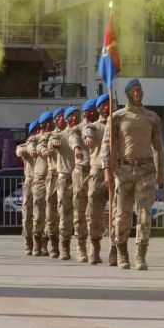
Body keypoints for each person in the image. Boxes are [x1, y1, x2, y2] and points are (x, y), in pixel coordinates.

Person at [102, 79, 164, 270]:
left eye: (140, 90)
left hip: (146, 170)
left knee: (145, 215)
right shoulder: (117, 116)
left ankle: (140, 254)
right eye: (134, 90)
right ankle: (121, 252)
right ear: (128, 93)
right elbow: (107, 145)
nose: (138, 93)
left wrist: (161, 171)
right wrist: (107, 170)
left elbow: (158, 147)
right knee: (122, 215)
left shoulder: (152, 117)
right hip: (123, 171)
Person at [83, 94, 111, 265]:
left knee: (118, 212)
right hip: (98, 171)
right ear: (98, 108)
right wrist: (88, 139)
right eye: (103, 105)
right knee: (94, 211)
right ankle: (94, 247)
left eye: (109, 104)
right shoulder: (93, 126)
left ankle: (116, 249)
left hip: (117, 171)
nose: (107, 108)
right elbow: (88, 133)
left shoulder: (118, 124)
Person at [50, 106, 80, 260]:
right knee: (64, 214)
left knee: (81, 214)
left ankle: (82, 249)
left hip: (80, 178)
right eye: (71, 117)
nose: (74, 119)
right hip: (64, 178)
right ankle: (64, 247)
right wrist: (53, 143)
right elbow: (50, 144)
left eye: (76, 116)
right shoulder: (59, 136)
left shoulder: (83, 132)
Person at [69, 99, 97, 263]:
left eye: (94, 110)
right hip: (80, 171)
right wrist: (77, 148)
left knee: (94, 212)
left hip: (96, 172)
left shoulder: (102, 126)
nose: (92, 113)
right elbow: (73, 137)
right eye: (89, 111)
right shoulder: (77, 129)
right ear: (84, 113)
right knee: (79, 211)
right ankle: (81, 247)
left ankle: (94, 247)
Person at [28, 111, 51, 256]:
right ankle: (36, 242)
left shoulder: (56, 136)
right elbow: (30, 146)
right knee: (38, 213)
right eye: (46, 123)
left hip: (53, 178)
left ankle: (45, 243)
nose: (49, 125)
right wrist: (34, 150)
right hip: (40, 179)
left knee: (51, 215)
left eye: (51, 122)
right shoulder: (35, 138)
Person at [38, 109, 60, 258]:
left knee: (63, 213)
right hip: (52, 176)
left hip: (67, 175)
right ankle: (47, 241)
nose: (51, 124)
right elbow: (38, 145)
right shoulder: (45, 137)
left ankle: (60, 244)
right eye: (48, 123)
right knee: (50, 212)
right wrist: (44, 150)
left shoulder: (66, 133)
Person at [16, 121, 39, 255]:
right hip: (29, 181)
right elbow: (19, 151)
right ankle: (28, 241)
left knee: (41, 213)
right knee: (27, 213)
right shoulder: (25, 146)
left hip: (42, 180)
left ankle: (39, 242)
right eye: (35, 131)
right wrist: (29, 147)